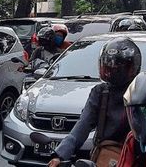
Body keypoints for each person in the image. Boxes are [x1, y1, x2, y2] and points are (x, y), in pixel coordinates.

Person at [48, 37, 141, 167]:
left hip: (138, 157)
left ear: (132, 67)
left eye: (117, 68)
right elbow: (82, 126)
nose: (110, 72)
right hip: (105, 157)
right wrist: (59, 155)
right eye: (108, 66)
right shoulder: (100, 92)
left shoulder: (141, 92)